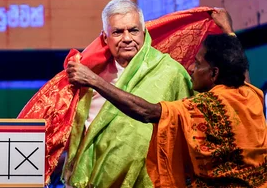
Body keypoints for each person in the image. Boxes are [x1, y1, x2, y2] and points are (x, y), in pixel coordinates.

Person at [67, 33, 267, 187]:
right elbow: (243, 74)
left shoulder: (205, 106)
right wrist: (229, 31)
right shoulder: (251, 95)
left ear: (214, 73)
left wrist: (93, 81)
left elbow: (147, 112)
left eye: (198, 64)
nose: (191, 69)